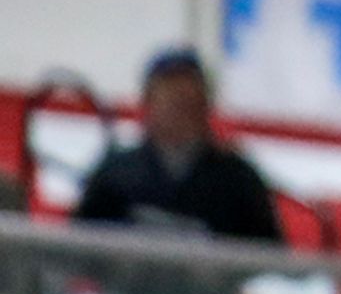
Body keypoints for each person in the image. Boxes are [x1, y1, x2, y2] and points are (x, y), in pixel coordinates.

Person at [75, 51, 283, 245]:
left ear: (205, 106)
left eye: (188, 102)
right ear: (148, 104)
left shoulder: (238, 181)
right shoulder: (115, 174)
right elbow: (77, 249)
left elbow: (268, 259)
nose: (179, 112)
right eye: (170, 100)